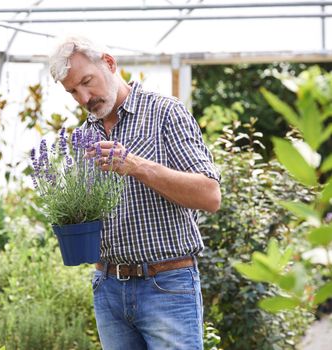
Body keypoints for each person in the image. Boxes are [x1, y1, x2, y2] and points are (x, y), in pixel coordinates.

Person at [48, 36, 221, 350]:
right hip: (108, 287)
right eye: (73, 91)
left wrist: (136, 165)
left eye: (87, 82)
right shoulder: (85, 135)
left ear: (110, 64)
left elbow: (210, 195)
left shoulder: (165, 113)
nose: (84, 97)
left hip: (166, 285)